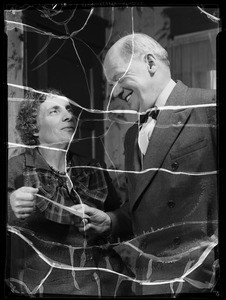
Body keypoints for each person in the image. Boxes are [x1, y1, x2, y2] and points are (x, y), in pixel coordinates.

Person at [72, 33, 218, 295]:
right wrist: (110, 221)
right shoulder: (131, 138)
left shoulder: (210, 105)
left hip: (201, 280)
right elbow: (144, 206)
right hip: (149, 281)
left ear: (150, 63)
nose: (116, 92)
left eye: (118, 78)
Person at [6, 89, 134, 296]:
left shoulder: (94, 167)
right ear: (34, 128)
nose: (68, 115)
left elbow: (124, 221)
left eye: (68, 109)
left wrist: (108, 221)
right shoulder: (15, 168)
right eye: (54, 111)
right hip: (48, 287)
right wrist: (10, 204)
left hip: (109, 283)